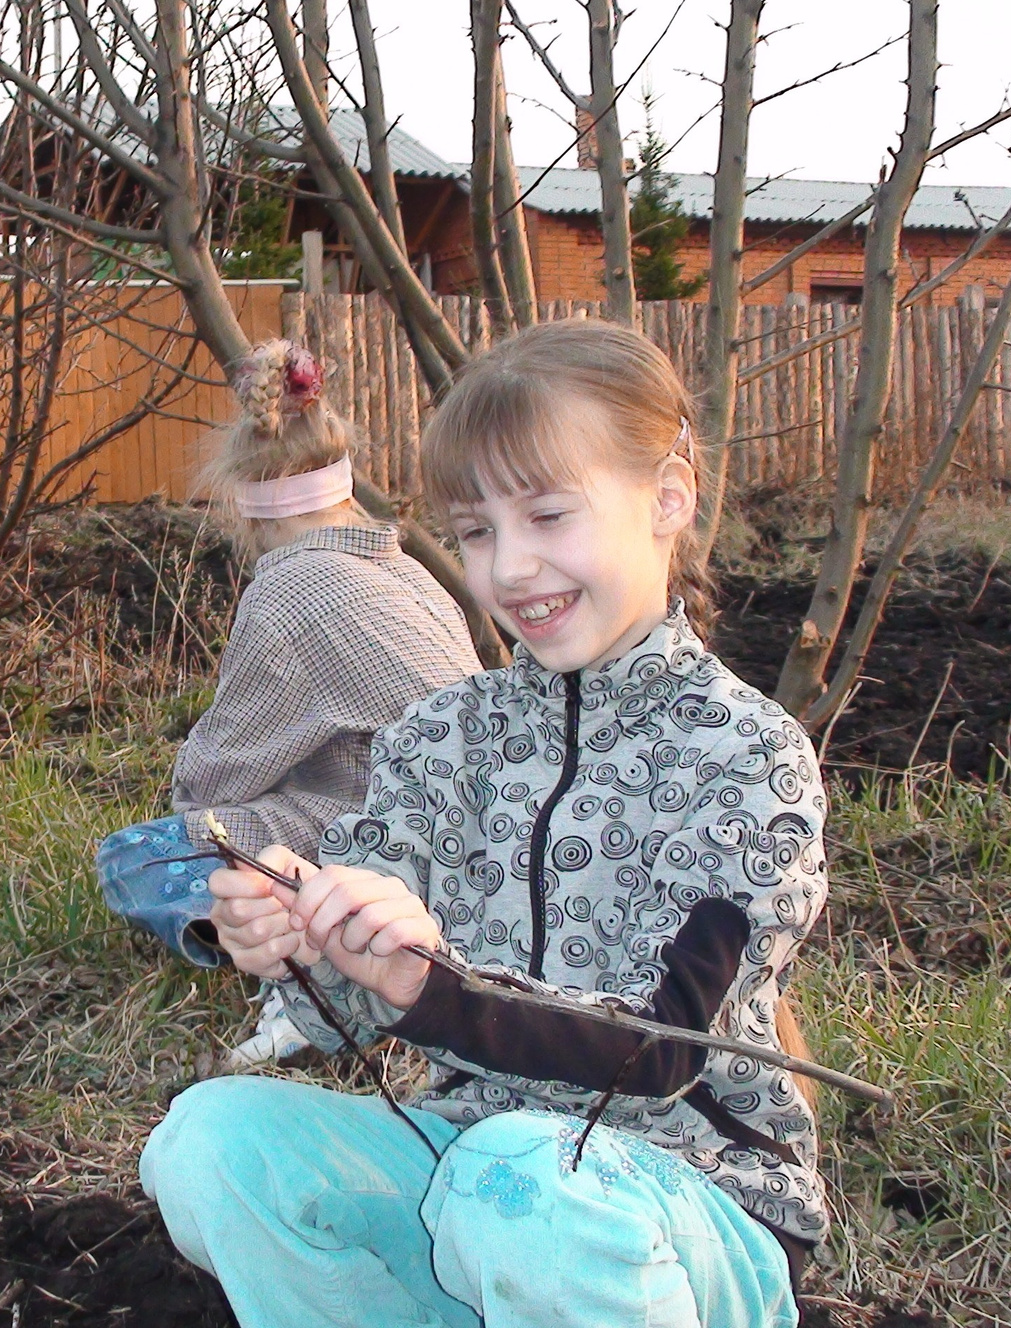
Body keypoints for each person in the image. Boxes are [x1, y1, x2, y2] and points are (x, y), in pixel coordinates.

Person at [141, 318, 828, 1328]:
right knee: (206, 1145)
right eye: (473, 532)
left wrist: (431, 980)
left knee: (515, 1184)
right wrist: (298, 942)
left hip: (685, 1201)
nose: (510, 569)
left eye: (549, 515)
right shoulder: (441, 736)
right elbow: (368, 999)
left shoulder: (742, 756)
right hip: (473, 1166)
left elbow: (664, 1050)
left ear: (667, 501)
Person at [96, 340, 482, 1063]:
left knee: (137, 857)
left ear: (249, 508)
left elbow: (211, 787)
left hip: (379, 845)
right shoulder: (412, 574)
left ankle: (298, 973)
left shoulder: (288, 589)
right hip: (471, 843)